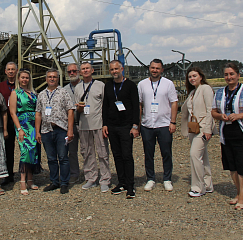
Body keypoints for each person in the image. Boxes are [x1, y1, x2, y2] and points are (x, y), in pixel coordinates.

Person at [211, 63, 243, 211]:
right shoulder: (220, 92)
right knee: (232, 166)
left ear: (238, 75)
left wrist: (239, 116)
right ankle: (238, 193)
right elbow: (213, 111)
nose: (229, 77)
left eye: (232, 74)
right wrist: (221, 116)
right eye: (226, 74)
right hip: (226, 133)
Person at [138, 59, 178, 192]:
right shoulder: (142, 84)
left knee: (166, 153)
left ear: (162, 70)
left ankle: (167, 179)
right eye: (152, 68)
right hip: (147, 125)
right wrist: (138, 124)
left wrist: (173, 122)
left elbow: (174, 103)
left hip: (164, 124)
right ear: (149, 68)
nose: (154, 70)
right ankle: (150, 178)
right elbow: (139, 104)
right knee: (148, 153)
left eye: (157, 68)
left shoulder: (168, 84)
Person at [102, 61, 139, 199]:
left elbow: (136, 107)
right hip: (112, 126)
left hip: (126, 126)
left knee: (127, 156)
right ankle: (121, 182)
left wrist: (135, 126)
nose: (114, 71)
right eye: (112, 69)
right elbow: (105, 106)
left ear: (122, 69)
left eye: (116, 69)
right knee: (117, 155)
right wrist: (105, 124)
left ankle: (130, 186)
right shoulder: (108, 86)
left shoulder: (130, 85)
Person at [35, 68, 75, 194]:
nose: (52, 79)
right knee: (51, 158)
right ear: (46, 79)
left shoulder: (64, 92)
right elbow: (38, 114)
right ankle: (54, 181)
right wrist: (37, 132)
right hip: (46, 130)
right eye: (50, 77)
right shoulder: (41, 94)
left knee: (63, 157)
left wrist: (70, 130)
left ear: (58, 78)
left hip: (61, 129)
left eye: (54, 77)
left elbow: (70, 110)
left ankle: (64, 182)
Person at [180, 67, 217, 198]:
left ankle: (198, 187)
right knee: (203, 157)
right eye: (190, 77)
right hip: (193, 129)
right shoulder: (192, 92)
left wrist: (208, 129)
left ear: (201, 76)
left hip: (203, 129)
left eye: (194, 76)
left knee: (194, 155)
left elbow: (210, 110)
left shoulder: (205, 89)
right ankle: (207, 185)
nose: (192, 79)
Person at [74, 62, 111, 192]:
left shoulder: (100, 85)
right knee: (87, 152)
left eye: (87, 68)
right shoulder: (78, 88)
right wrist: (79, 108)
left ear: (92, 70)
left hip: (98, 124)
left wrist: (106, 124)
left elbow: (106, 106)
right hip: (84, 125)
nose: (85, 71)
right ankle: (91, 178)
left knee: (102, 152)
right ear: (80, 72)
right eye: (83, 69)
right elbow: (77, 110)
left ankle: (105, 179)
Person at [9, 68, 41, 195]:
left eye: (26, 78)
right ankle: (22, 181)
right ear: (18, 79)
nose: (24, 80)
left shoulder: (33, 93)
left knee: (33, 151)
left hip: (34, 125)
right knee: (25, 151)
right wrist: (19, 129)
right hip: (23, 125)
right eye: (22, 77)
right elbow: (12, 112)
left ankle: (30, 179)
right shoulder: (15, 93)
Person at [0, 62, 17, 186]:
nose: (10, 71)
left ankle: (27, 173)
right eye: (8, 69)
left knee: (24, 147)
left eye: (13, 69)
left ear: (16, 71)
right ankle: (8, 175)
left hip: (20, 119)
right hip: (7, 119)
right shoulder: (1, 86)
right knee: (8, 149)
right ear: (5, 71)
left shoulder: (20, 84)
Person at [63, 63, 81, 184]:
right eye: (69, 72)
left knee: (87, 150)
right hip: (71, 124)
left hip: (85, 122)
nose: (72, 73)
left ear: (78, 72)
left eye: (74, 71)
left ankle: (91, 174)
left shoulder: (85, 86)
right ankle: (74, 174)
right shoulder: (64, 90)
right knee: (72, 151)